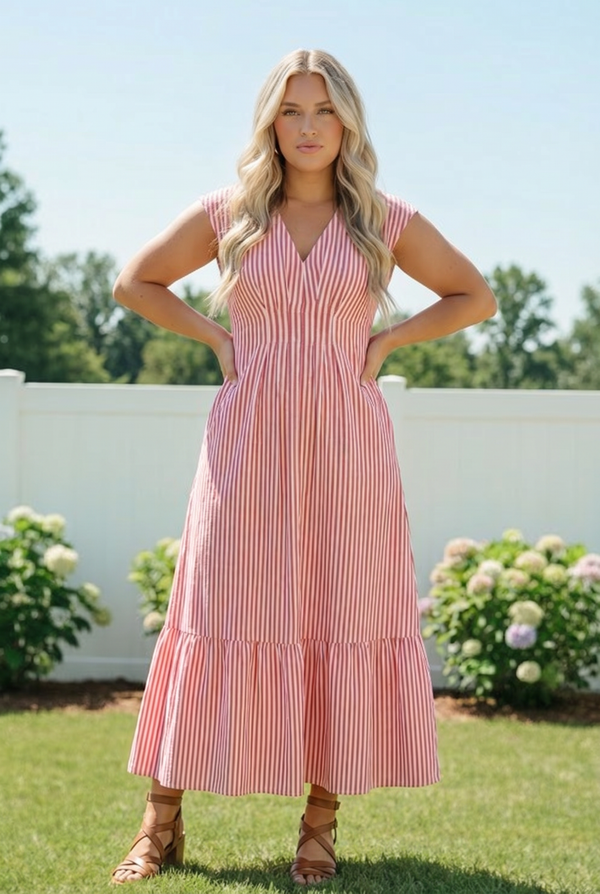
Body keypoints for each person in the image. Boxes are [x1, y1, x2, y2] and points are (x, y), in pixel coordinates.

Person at [110, 48, 497, 886]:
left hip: (348, 450)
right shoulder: (230, 213)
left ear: (348, 121)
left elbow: (476, 296)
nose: (309, 127)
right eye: (292, 111)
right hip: (247, 444)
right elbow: (134, 282)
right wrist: (216, 336)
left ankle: (320, 826)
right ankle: (161, 822)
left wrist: (392, 338)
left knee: (336, 609)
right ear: (271, 124)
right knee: (214, 609)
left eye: (324, 110)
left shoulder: (384, 221)